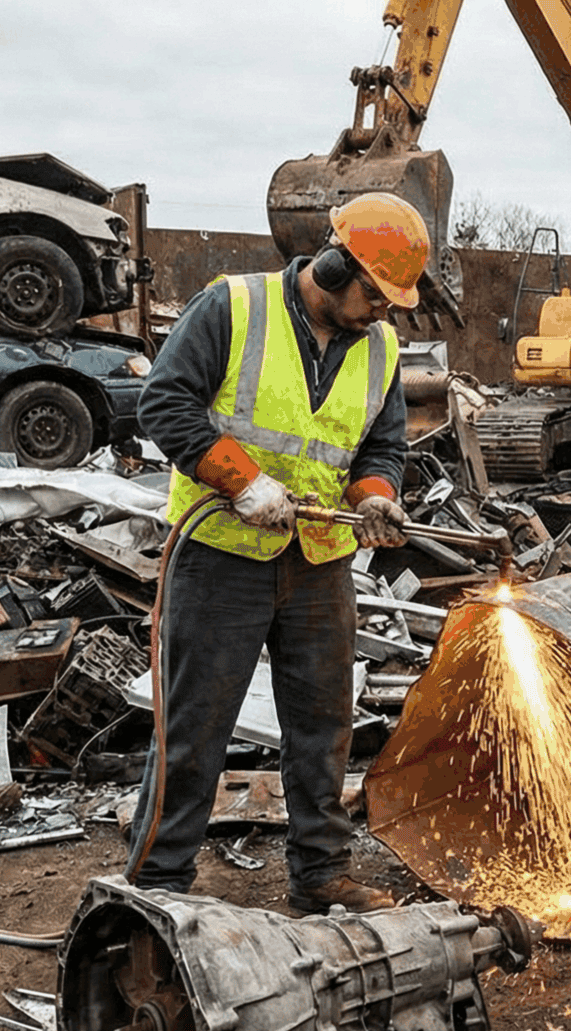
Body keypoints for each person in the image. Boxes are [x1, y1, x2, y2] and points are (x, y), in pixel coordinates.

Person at [126, 192, 426, 913]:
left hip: (320, 561)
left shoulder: (379, 347)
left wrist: (374, 498)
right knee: (196, 724)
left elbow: (380, 445)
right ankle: (159, 885)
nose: (384, 312)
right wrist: (242, 481)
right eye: (376, 294)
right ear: (330, 264)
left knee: (323, 726)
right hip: (221, 551)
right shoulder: (232, 308)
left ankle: (321, 876)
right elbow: (164, 402)